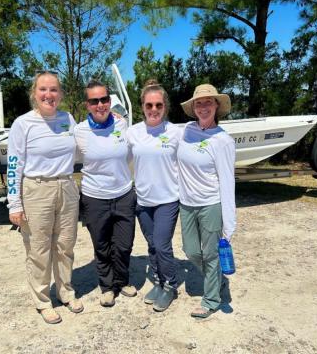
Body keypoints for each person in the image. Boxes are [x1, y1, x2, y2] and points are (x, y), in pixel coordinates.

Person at [7, 71, 83, 324]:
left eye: (53, 90)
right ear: (34, 93)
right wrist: (14, 203)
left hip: (67, 186)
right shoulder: (23, 124)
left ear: (60, 94)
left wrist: (111, 120)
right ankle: (42, 300)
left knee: (65, 245)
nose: (48, 95)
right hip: (36, 190)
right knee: (38, 248)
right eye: (43, 90)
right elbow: (14, 164)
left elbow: (85, 139)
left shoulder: (67, 119)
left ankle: (65, 291)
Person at [75, 80, 137, 307]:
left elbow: (131, 154)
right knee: (101, 246)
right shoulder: (79, 131)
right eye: (94, 101)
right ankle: (107, 287)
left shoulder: (123, 125)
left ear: (110, 101)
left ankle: (122, 280)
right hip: (94, 198)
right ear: (87, 104)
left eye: (104, 99)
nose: (100, 104)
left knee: (123, 245)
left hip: (123, 194)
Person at [177, 84, 236, 319]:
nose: (203, 107)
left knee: (211, 254)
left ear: (217, 106)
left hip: (210, 204)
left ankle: (211, 299)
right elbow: (158, 127)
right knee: (190, 251)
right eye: (198, 103)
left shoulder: (223, 141)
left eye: (208, 102)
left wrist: (229, 223)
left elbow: (228, 182)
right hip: (186, 203)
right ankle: (218, 279)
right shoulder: (186, 130)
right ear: (193, 107)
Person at [126, 80, 181, 312]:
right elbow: (121, 160)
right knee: (151, 245)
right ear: (142, 106)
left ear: (165, 106)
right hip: (143, 200)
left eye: (158, 104)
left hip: (168, 199)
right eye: (149, 105)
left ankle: (170, 286)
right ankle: (157, 281)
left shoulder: (177, 132)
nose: (154, 109)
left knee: (162, 244)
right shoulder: (133, 133)